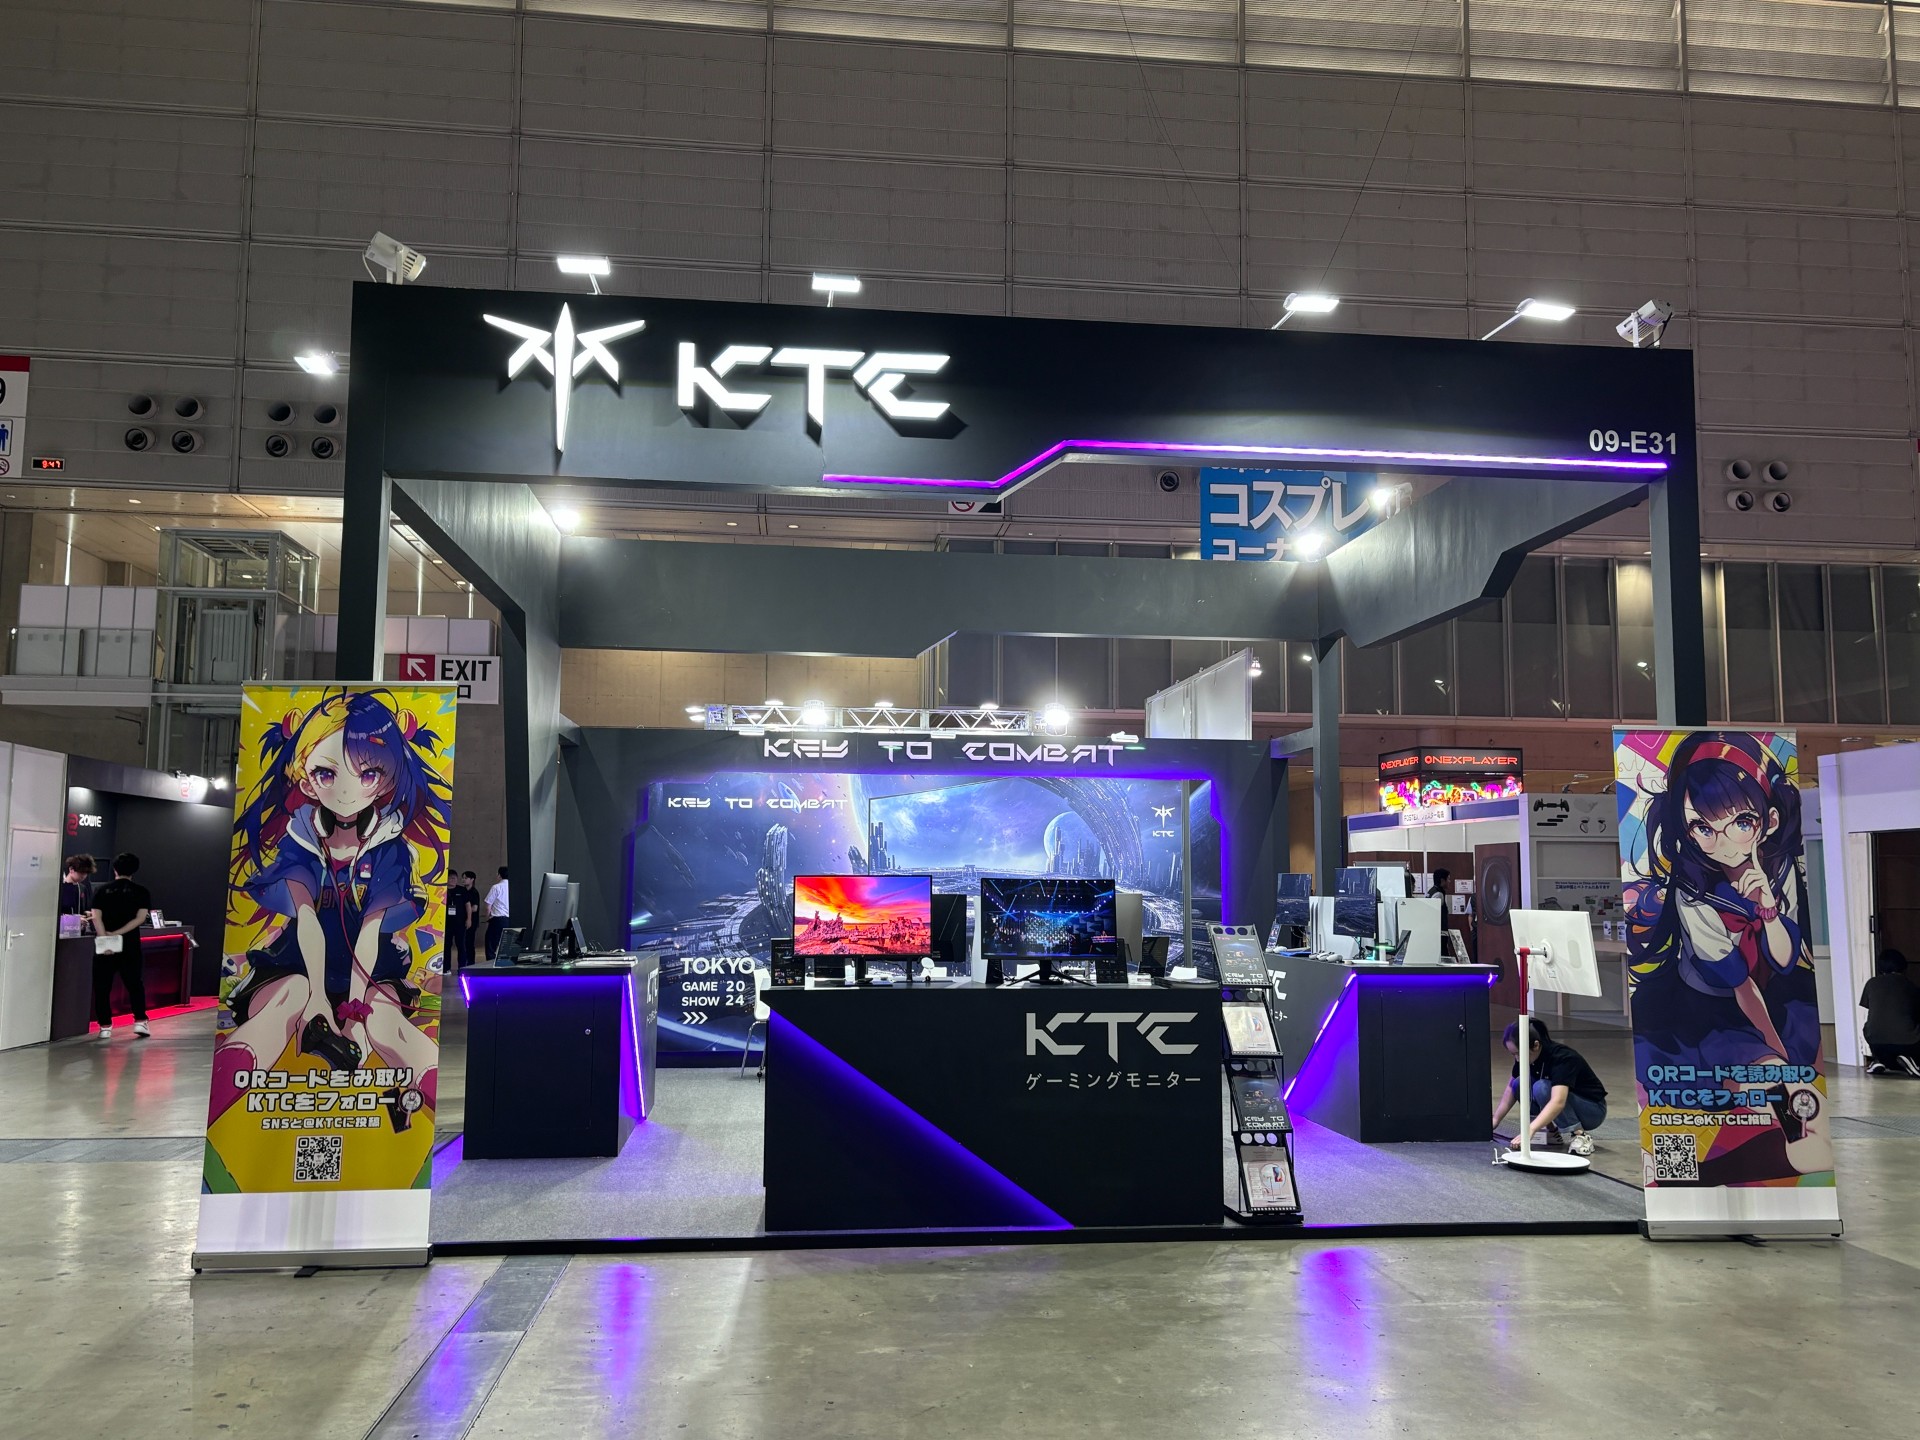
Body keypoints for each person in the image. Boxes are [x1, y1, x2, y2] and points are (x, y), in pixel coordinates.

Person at [218, 688, 451, 1091]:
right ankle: (230, 1096)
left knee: (382, 1018)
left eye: (368, 774)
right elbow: (306, 918)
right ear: (305, 779)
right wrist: (317, 997)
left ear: (386, 779)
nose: (346, 791)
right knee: (289, 997)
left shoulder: (389, 847)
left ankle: (410, 1104)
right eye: (326, 774)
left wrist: (356, 1010)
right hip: (294, 965)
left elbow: (370, 934)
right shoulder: (301, 838)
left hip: (370, 972)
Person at [1491, 1018, 1607, 1156]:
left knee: (1542, 1088)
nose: (1517, 1059)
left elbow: (1558, 1101)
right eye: (1513, 1054)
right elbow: (1511, 1088)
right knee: (1520, 1082)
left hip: (1592, 1111)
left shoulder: (1563, 1058)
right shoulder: (1526, 1056)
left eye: (1519, 1053)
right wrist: (1495, 1120)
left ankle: (1579, 1135)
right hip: (1567, 1104)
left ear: (1536, 1045)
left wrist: (1530, 1129)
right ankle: (1550, 1132)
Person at [88, 852, 152, 1039]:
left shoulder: (101, 890)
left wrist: (105, 937)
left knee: (102, 986)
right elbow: (140, 918)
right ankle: (140, 1021)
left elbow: (96, 917)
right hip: (130, 944)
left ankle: (105, 1026)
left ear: (115, 869)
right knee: (134, 984)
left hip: (105, 944)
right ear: (134, 870)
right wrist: (119, 933)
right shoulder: (141, 891)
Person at [1860, 949, 1920, 1076]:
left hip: (1876, 1042)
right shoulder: (1910, 985)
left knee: (1872, 1027)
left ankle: (1880, 1060)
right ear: (1903, 967)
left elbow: (1872, 1009)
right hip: (1907, 1042)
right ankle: (1911, 1059)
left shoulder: (1871, 983)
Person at [447, 870, 478, 972]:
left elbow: (468, 906)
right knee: (446, 946)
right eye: (450, 878)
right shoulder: (442, 890)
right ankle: (446, 968)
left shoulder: (462, 890)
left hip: (460, 923)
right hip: (446, 924)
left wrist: (469, 919)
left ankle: (462, 967)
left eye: (454, 878)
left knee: (461, 945)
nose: (452, 880)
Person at [59, 855, 96, 921]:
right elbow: (55, 914)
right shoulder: (60, 888)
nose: (84, 876)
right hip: (64, 926)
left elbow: (83, 909)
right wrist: (74, 919)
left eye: (86, 873)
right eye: (81, 872)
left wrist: (86, 913)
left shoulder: (83, 888)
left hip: (80, 926)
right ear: (71, 869)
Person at [484, 867, 510, 960]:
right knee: (507, 945)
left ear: (499, 875)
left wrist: (488, 918)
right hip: (510, 919)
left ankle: (490, 964)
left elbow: (488, 905)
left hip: (497, 919)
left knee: (491, 944)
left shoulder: (496, 887)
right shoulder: (514, 886)